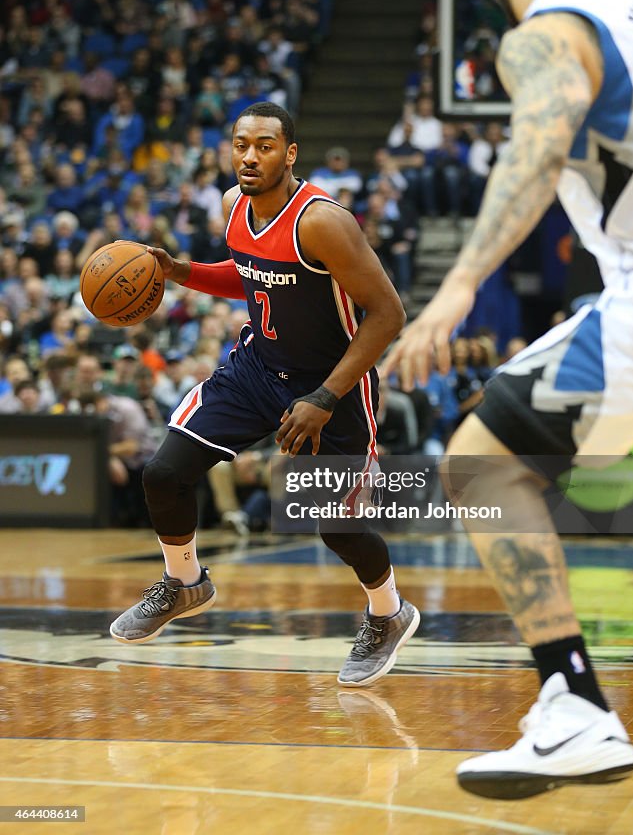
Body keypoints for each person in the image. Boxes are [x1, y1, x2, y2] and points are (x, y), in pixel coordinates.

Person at [382, 0, 633, 797]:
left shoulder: (546, 30)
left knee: (479, 464)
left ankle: (575, 703)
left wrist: (456, 284)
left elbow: (539, 143)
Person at [110, 101, 419, 686]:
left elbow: (388, 315)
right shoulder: (233, 206)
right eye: (241, 145)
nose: (250, 156)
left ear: (290, 153)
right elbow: (248, 272)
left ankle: (388, 612)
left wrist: (325, 397)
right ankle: (184, 582)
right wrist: (180, 271)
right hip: (256, 370)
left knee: (338, 528)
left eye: (265, 146)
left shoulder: (324, 222)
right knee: (163, 473)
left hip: (336, 386)